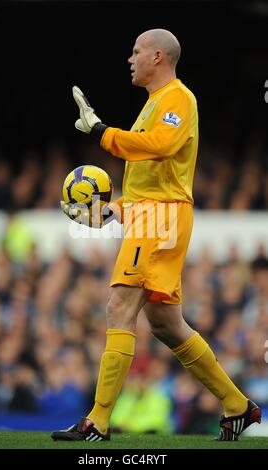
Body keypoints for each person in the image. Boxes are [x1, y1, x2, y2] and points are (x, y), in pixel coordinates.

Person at [52, 28, 261, 442]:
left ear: (158, 57)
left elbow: (161, 146)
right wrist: (110, 212)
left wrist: (101, 132)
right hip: (153, 215)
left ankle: (98, 421)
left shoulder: (178, 99)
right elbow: (152, 180)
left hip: (162, 220)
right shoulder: (152, 104)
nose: (130, 59)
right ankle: (239, 406)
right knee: (166, 324)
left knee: (119, 304)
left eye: (135, 52)